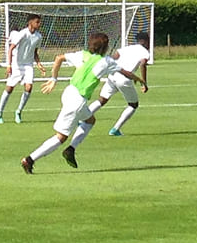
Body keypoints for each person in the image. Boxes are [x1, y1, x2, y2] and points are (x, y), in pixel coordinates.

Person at [20, 32, 146, 174]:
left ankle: (71, 149)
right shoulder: (106, 61)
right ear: (105, 47)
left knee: (90, 120)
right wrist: (140, 79)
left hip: (68, 92)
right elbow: (125, 72)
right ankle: (30, 159)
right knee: (60, 137)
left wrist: (54, 79)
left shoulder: (83, 55)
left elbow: (59, 58)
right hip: (78, 100)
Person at [72, 30, 151, 143]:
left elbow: (115, 56)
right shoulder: (145, 52)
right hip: (124, 78)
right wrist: (144, 81)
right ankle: (115, 129)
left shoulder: (128, 48)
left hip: (113, 75)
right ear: (145, 41)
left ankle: (82, 119)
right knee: (133, 104)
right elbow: (143, 64)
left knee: (102, 100)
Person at [0, 14, 43, 124]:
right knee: (9, 88)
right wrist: (9, 65)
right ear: (30, 22)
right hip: (17, 65)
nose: (39, 24)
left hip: (28, 65)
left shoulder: (38, 36)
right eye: (37, 22)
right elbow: (11, 49)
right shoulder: (22, 34)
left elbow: (35, 52)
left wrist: (39, 64)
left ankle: (18, 112)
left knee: (29, 87)